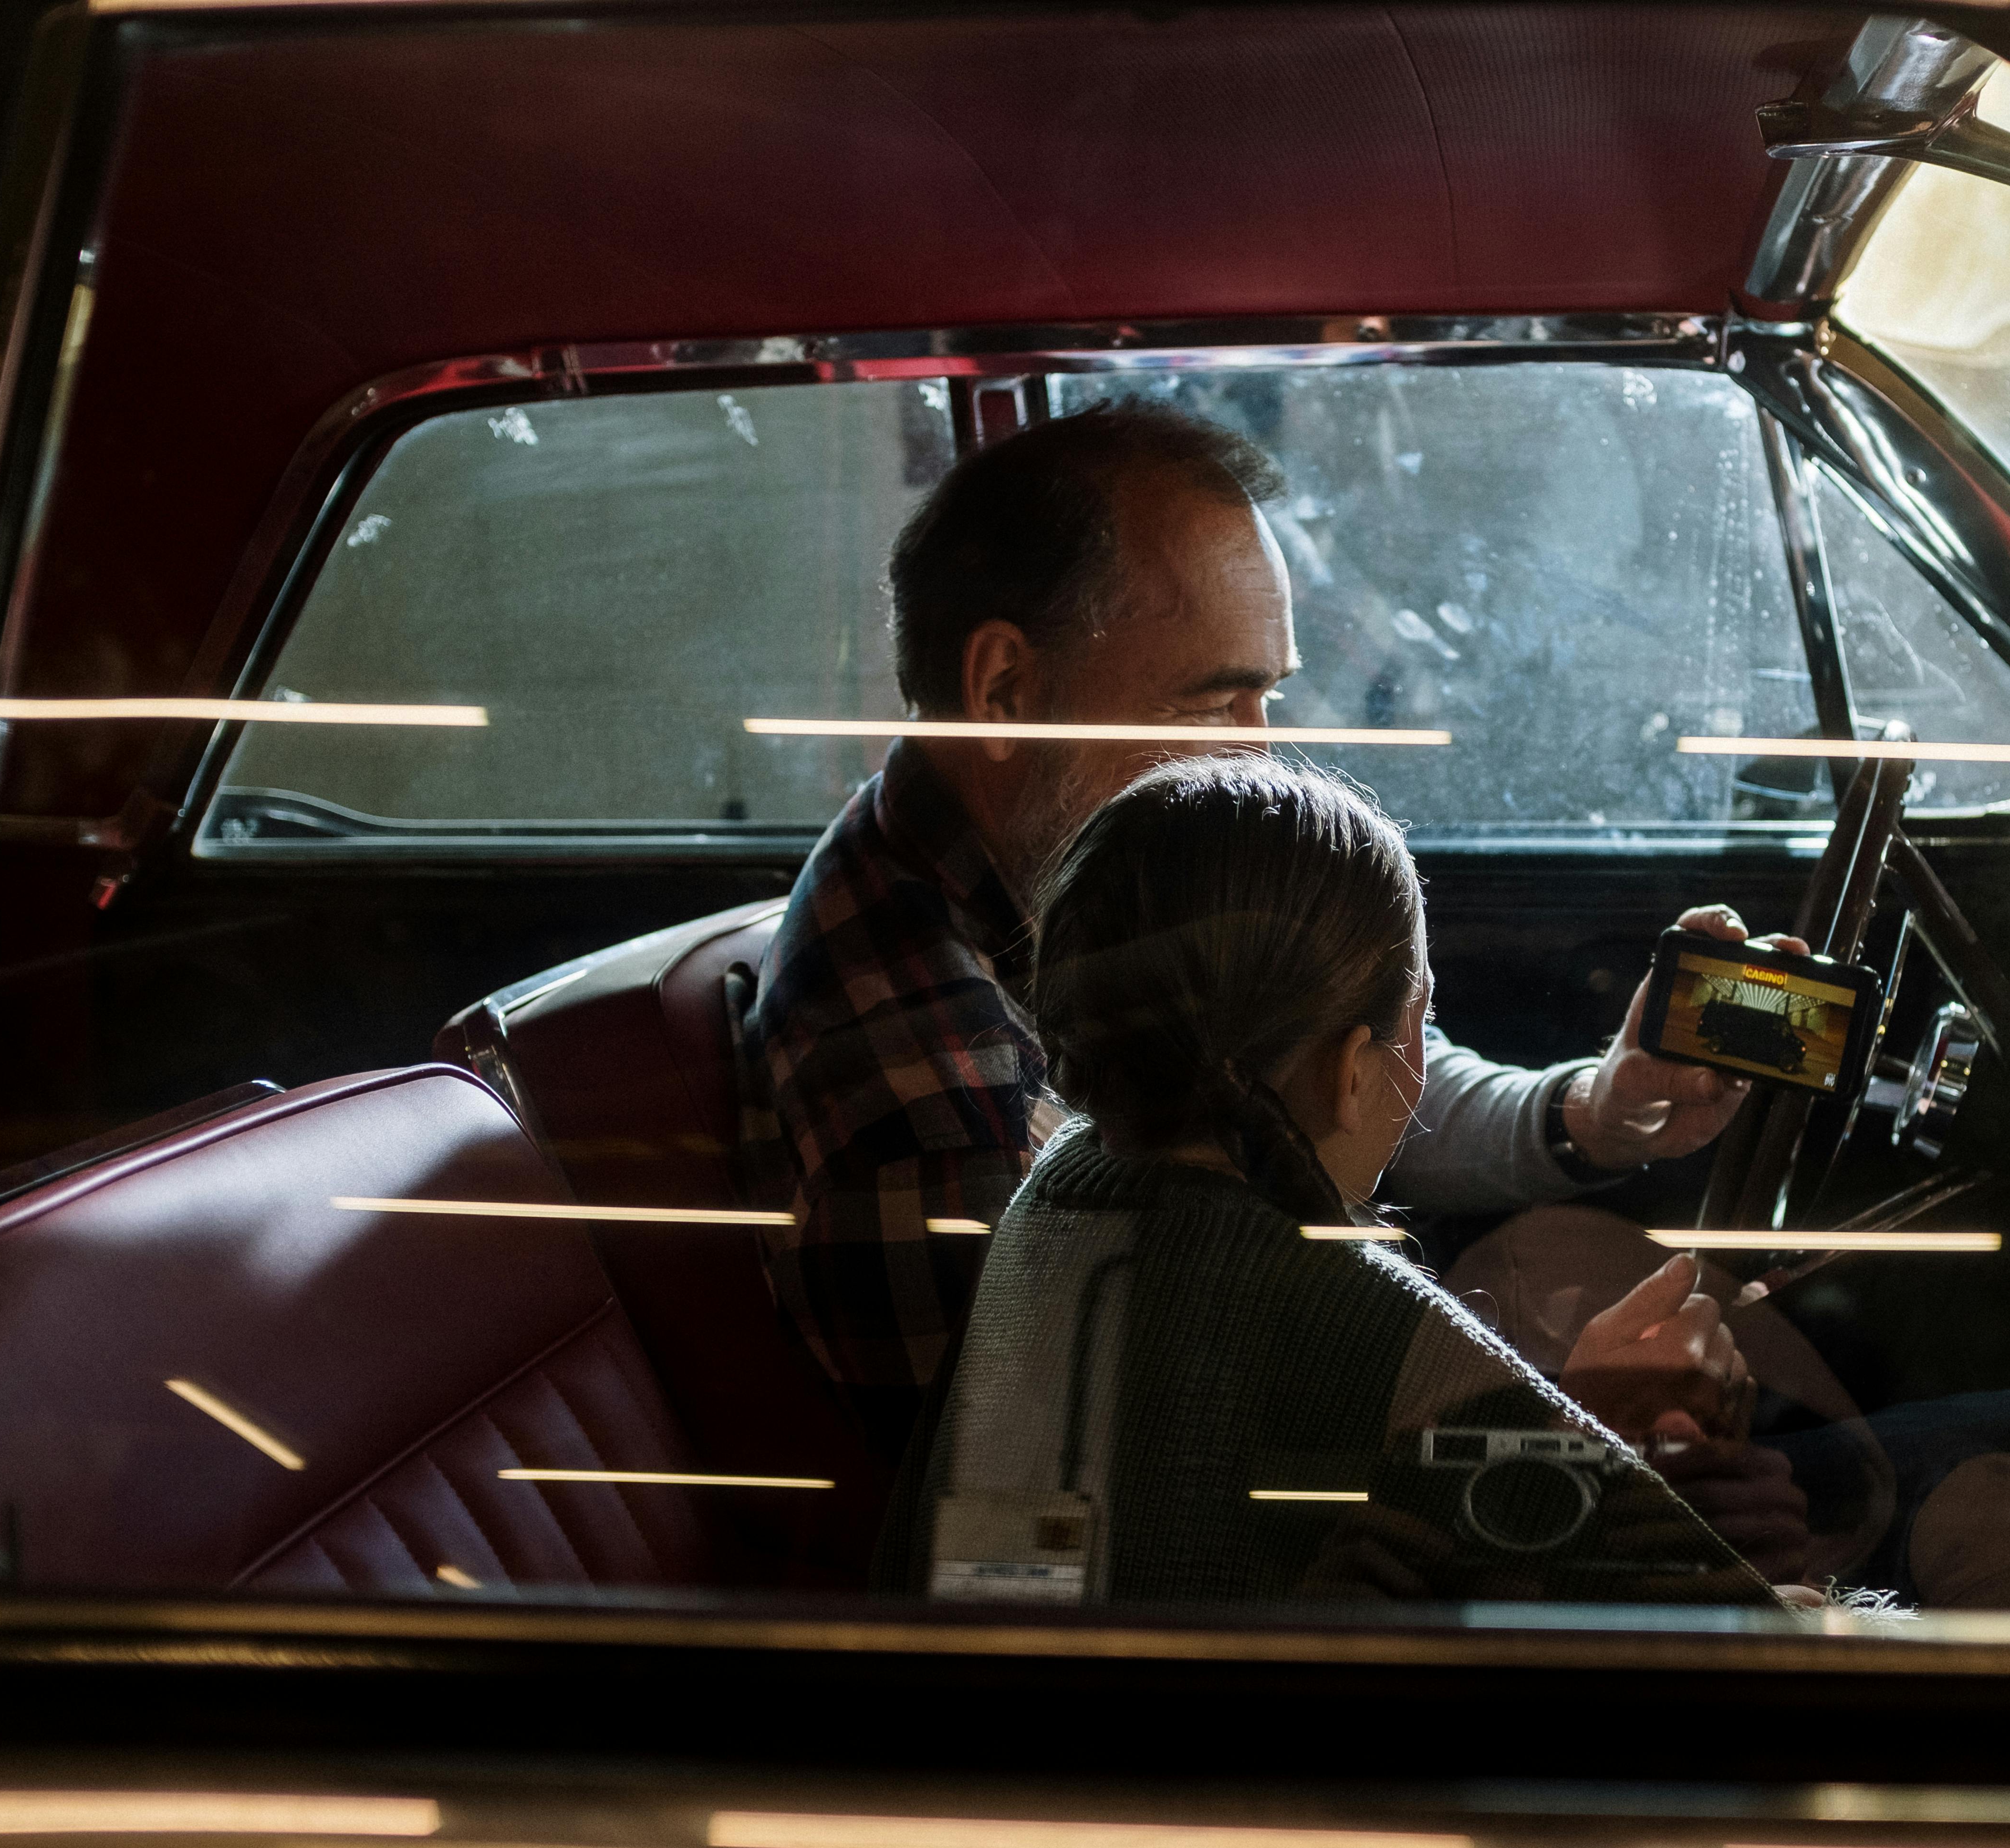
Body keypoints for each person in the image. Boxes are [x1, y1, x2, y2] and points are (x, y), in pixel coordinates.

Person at [748, 405, 1770, 1457]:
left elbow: (1340, 1076)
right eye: (1212, 704)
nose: (1259, 762)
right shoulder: (932, 1096)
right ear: (1006, 689)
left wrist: (1592, 1112)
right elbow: (1110, 1506)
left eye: (1267, 699)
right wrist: (1562, 1441)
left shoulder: (1066, 890)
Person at [900, 753, 1787, 1608]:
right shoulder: (1366, 1326)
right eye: (1422, 1024)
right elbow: (1742, 1642)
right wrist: (1580, 1438)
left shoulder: (1049, 1207)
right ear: (1351, 1072)